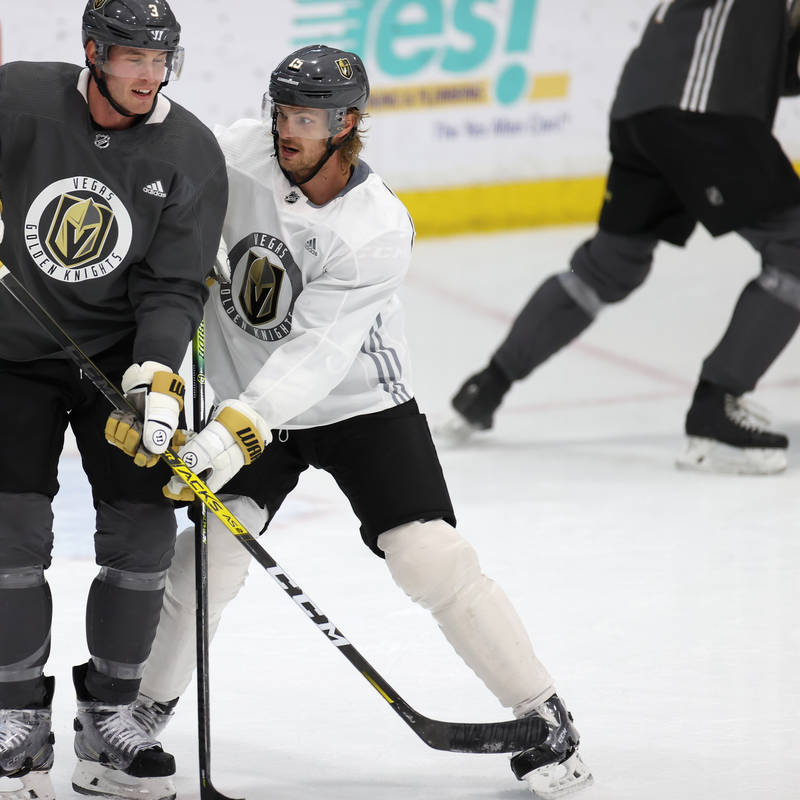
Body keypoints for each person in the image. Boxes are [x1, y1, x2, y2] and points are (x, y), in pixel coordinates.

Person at [105, 45, 593, 800]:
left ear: (347, 124)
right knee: (209, 558)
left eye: (305, 117)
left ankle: (545, 715)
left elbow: (318, 354)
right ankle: (142, 709)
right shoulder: (238, 155)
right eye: (282, 113)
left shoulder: (375, 228)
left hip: (358, 403)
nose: (287, 130)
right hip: (249, 399)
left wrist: (230, 432)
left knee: (429, 555)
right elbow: (157, 142)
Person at [0, 2, 227, 799]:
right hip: (13, 353)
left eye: (161, 59)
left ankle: (109, 719)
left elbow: (174, 284)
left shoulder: (189, 150)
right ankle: (21, 727)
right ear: (94, 52)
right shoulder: (24, 98)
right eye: (134, 58)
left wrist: (156, 376)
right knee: (8, 534)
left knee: (141, 535)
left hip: (117, 361)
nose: (150, 75)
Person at [445, 0, 800, 475]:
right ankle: (715, 413)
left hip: (642, 109)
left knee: (610, 266)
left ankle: (487, 386)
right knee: (795, 249)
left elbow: (771, 57)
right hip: (702, 109)